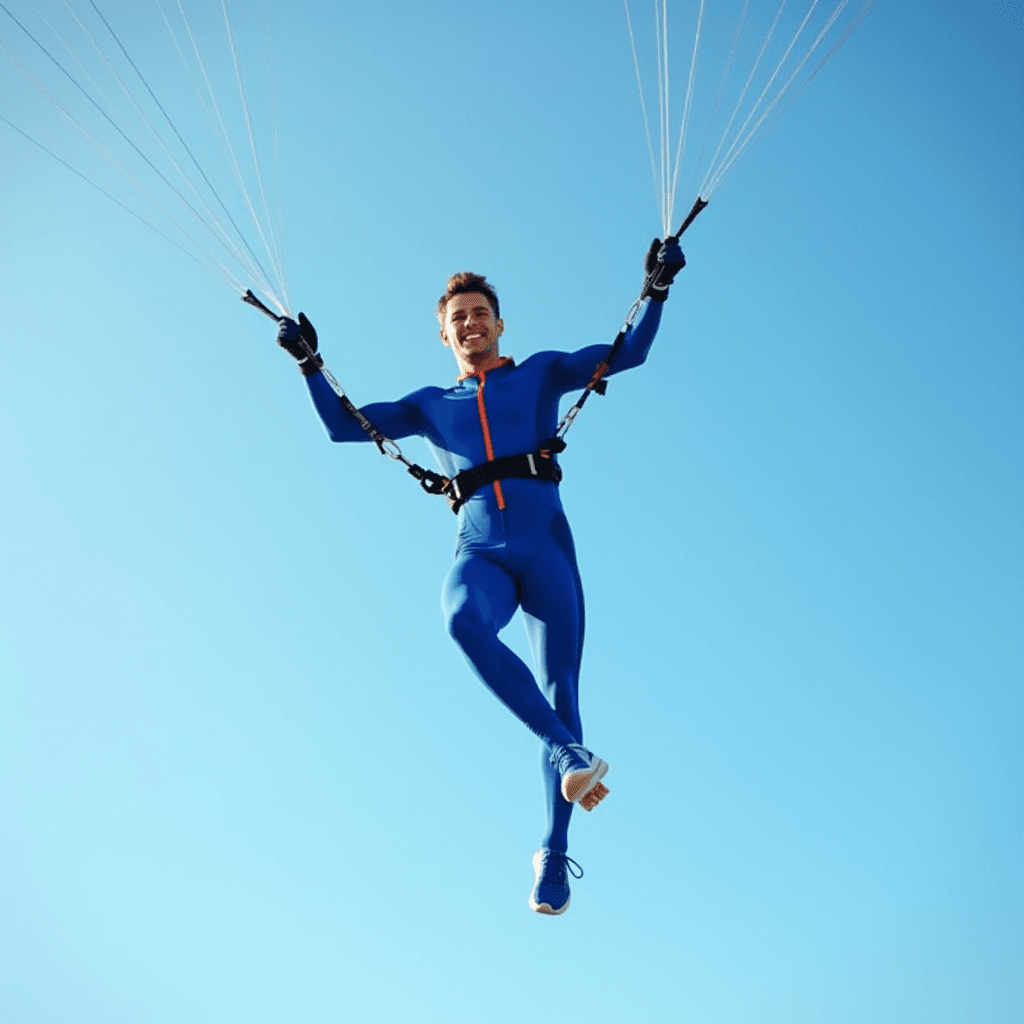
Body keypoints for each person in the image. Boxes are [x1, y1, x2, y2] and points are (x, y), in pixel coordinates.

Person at [275, 238, 685, 914]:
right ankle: (563, 752)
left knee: (562, 691)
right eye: (458, 316)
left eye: (480, 313)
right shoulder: (430, 403)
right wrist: (309, 364)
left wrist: (659, 290)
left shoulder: (543, 373)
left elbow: (629, 352)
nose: (470, 323)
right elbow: (342, 429)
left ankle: (553, 855)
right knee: (463, 622)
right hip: (482, 550)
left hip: (547, 546)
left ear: (499, 324)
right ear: (443, 332)